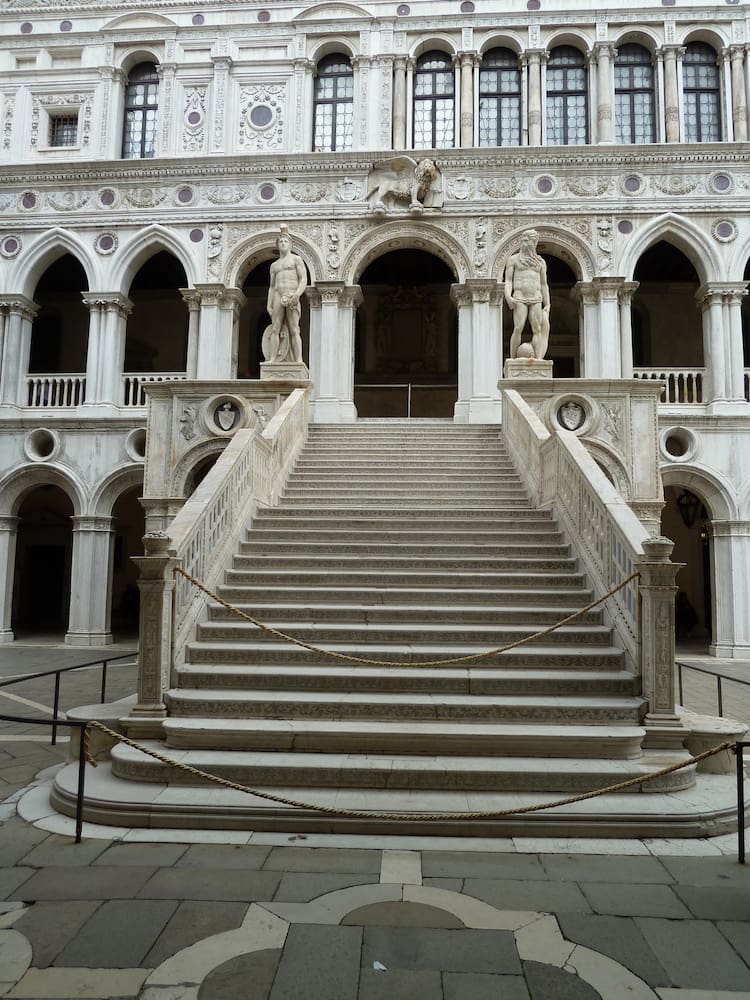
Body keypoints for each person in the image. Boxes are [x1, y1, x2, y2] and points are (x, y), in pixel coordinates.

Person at [504, 229, 551, 360]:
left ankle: (538, 359)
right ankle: (513, 359)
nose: (525, 243)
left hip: (536, 298)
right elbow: (508, 280)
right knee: (518, 327)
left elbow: (543, 284)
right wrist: (508, 296)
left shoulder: (540, 262)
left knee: (537, 329)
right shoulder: (514, 260)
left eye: (528, 241)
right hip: (519, 297)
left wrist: (547, 303)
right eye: (523, 240)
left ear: (534, 243)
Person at [264, 228, 307, 363]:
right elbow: (271, 287)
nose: (283, 243)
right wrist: (269, 304)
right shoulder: (274, 265)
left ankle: (299, 360)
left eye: (285, 241)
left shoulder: (296, 259)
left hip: (291, 294)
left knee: (294, 329)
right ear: (278, 245)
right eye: (281, 241)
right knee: (275, 328)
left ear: (290, 245)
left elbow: (303, 279)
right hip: (278, 295)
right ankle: (272, 358)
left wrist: (297, 295)